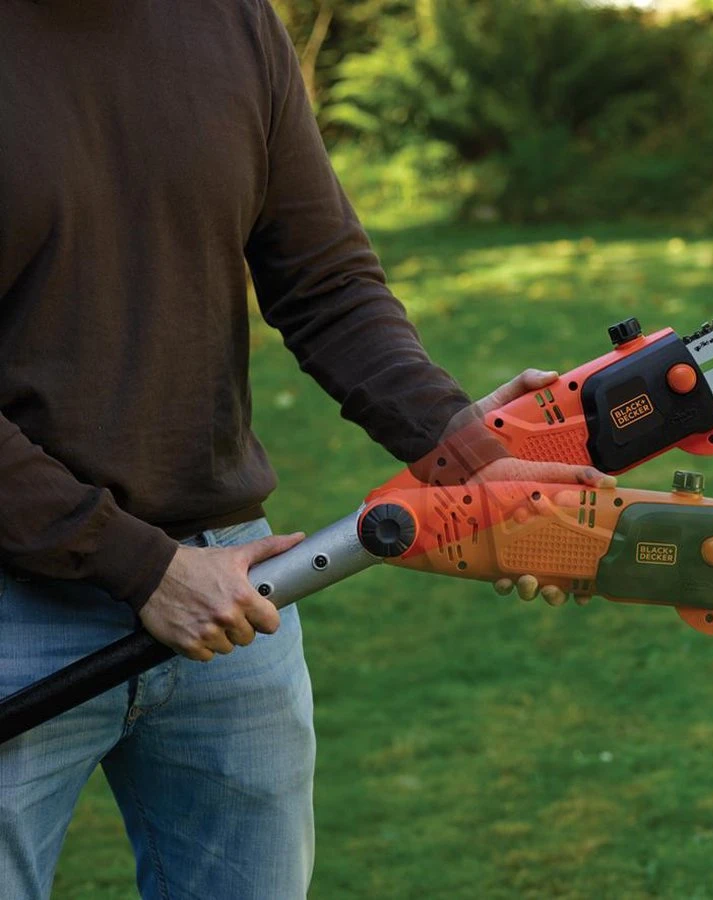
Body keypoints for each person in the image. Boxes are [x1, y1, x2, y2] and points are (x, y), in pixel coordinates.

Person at [0, 2, 602, 896]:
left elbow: (327, 284)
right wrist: (139, 565)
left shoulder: (231, 22)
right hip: (18, 604)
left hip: (235, 594)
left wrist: (471, 453)